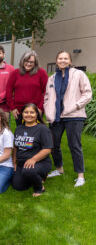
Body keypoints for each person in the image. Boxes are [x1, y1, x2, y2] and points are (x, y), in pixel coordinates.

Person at [44, 51, 92, 187]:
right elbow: (47, 97)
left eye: (65, 58)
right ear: (56, 60)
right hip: (56, 117)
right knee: (53, 145)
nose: (63, 60)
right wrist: (49, 112)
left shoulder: (79, 74)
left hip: (74, 115)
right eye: (60, 58)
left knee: (74, 145)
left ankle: (80, 176)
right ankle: (59, 169)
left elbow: (87, 93)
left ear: (70, 61)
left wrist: (76, 105)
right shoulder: (52, 78)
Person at [12, 103, 53, 197]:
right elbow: (15, 147)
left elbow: (48, 149)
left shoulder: (42, 129)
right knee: (18, 186)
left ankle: (39, 187)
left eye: (32, 112)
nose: (29, 115)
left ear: (37, 114)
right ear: (22, 114)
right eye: (26, 112)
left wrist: (33, 159)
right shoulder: (19, 128)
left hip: (40, 162)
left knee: (28, 171)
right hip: (22, 163)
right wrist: (14, 162)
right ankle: (35, 176)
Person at [6, 50, 48, 126]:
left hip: (35, 111)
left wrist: (40, 108)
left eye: (31, 62)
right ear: (22, 61)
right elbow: (8, 91)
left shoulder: (41, 73)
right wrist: (12, 108)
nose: (28, 64)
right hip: (19, 111)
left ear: (35, 63)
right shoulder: (15, 73)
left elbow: (47, 92)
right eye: (26, 61)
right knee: (22, 135)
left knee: (36, 134)